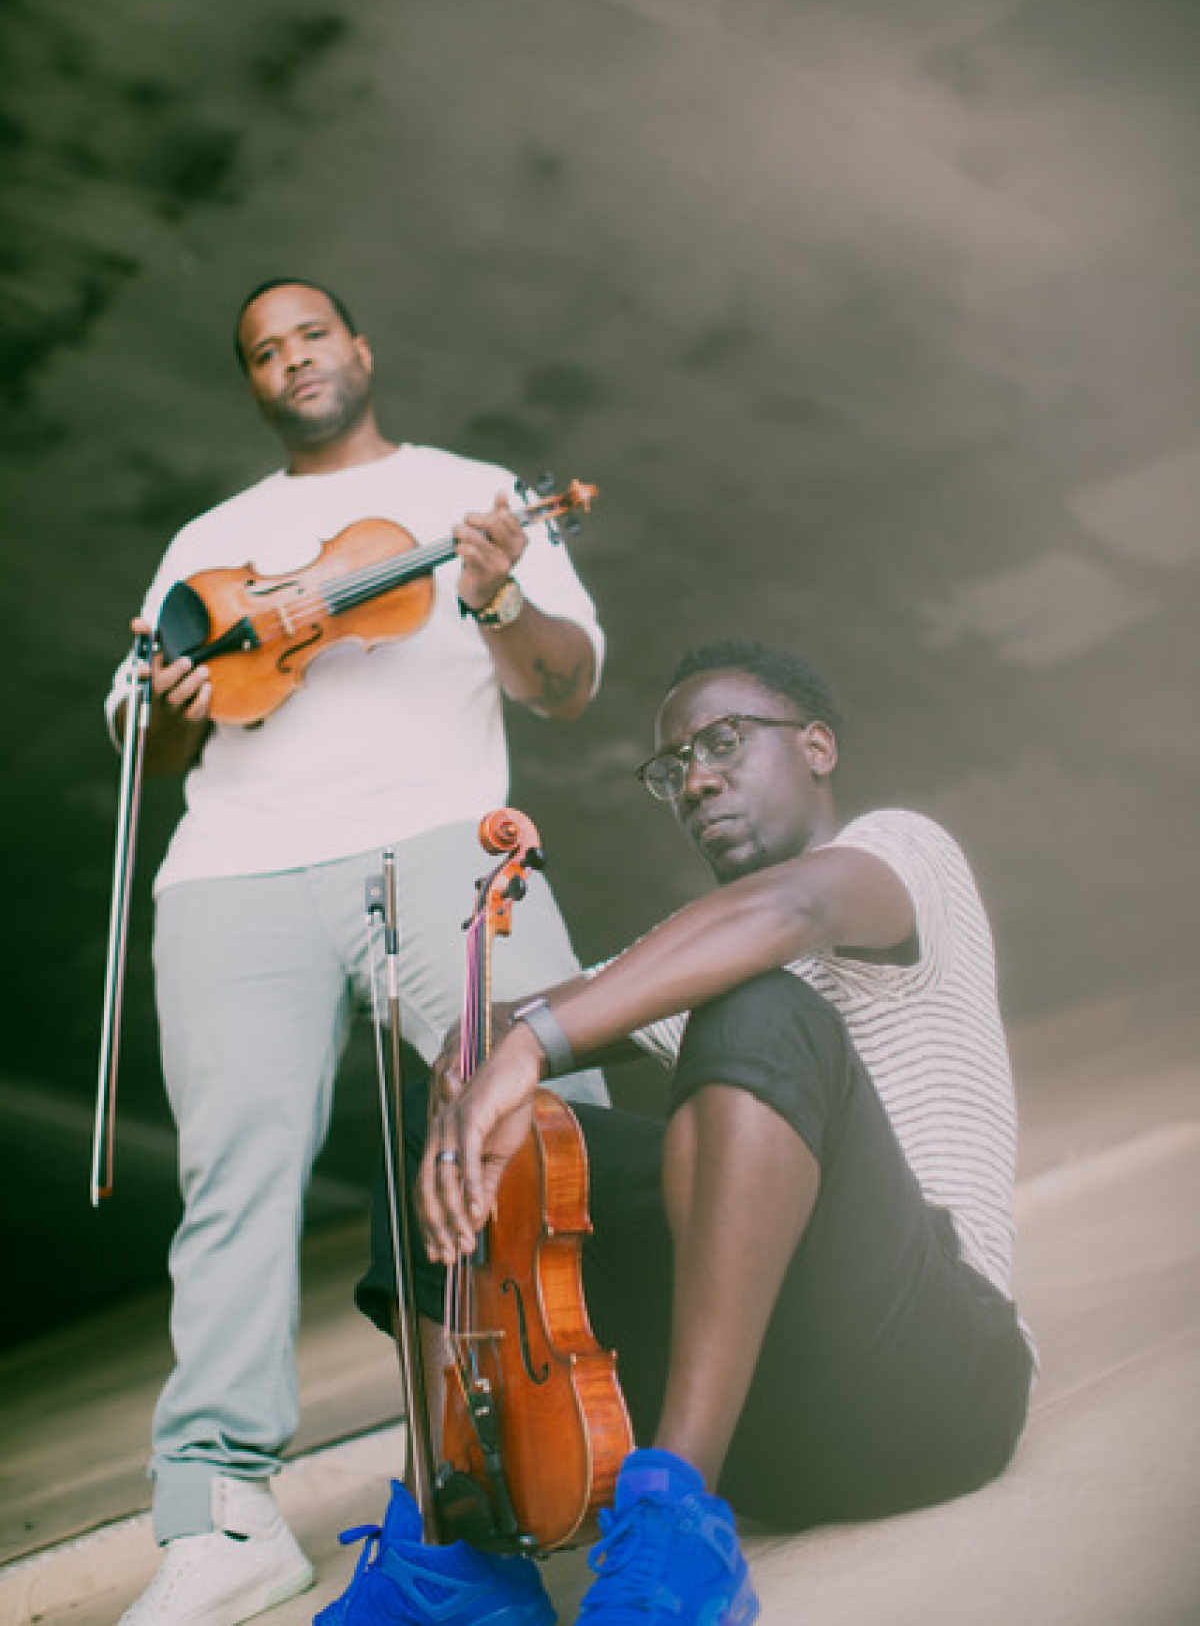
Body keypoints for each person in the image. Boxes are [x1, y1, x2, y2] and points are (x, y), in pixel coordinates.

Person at [334, 638, 1036, 1626]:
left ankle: (674, 1527)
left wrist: (535, 1036)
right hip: (781, 1435)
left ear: (819, 745)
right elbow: (519, 1022)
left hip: (932, 1378)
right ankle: (452, 1549)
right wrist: (473, 1055)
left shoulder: (905, 853)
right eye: (675, 767)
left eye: (726, 741)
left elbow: (790, 910)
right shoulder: (702, 948)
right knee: (431, 1119)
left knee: (758, 1003)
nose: (697, 778)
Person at [105, 279, 609, 1626]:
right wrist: (175, 704)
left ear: (360, 350)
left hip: (442, 839)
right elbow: (142, 743)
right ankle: (220, 1513)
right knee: (234, 1178)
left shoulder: (467, 493)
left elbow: (567, 680)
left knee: (563, 1115)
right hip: (233, 871)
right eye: (262, 350)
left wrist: (495, 598)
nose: (290, 359)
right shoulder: (206, 541)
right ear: (254, 383)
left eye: (309, 334)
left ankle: (620, 1427)